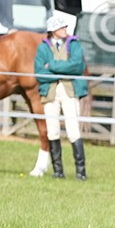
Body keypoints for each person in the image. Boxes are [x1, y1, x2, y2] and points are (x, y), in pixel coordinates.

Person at [35, 14, 88, 180]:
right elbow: (39, 72)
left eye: (65, 27)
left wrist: (52, 66)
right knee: (52, 131)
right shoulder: (43, 48)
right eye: (61, 27)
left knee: (73, 130)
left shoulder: (74, 44)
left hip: (70, 91)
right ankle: (58, 171)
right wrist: (61, 71)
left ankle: (81, 172)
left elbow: (77, 66)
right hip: (50, 92)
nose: (65, 29)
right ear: (53, 31)